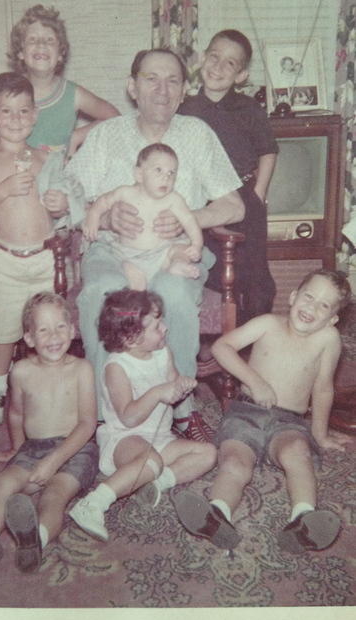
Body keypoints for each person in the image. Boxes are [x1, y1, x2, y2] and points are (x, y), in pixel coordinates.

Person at [52, 47, 245, 439]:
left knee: (171, 291)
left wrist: (189, 219)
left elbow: (234, 205)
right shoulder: (107, 135)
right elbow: (66, 198)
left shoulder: (197, 134)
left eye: (173, 80)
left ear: (182, 90)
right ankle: (105, 414)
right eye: (151, 79)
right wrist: (104, 217)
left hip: (173, 253)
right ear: (132, 87)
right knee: (104, 291)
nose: (162, 89)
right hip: (112, 249)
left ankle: (182, 408)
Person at [173, 269, 353, 554]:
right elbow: (223, 347)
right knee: (234, 462)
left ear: (333, 319)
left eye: (324, 305)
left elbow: (322, 388)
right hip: (246, 411)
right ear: (293, 297)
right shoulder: (268, 323)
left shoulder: (328, 340)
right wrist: (255, 381)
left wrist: (319, 433)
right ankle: (217, 515)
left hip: (289, 422)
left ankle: (303, 520)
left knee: (298, 453)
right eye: (309, 297)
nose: (312, 308)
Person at [0, 292, 98, 576]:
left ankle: (34, 542)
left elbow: (88, 424)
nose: (53, 336)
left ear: (72, 331)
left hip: (75, 449)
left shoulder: (82, 369)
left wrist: (53, 461)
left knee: (53, 495)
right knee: (4, 481)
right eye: (43, 329)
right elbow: (15, 413)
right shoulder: (21, 371)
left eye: (60, 327)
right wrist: (17, 448)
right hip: (34, 448)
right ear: (28, 338)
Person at [0, 72, 67, 426]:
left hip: (44, 259)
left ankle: (50, 388)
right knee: (2, 331)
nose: (15, 120)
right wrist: (3, 188)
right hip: (5, 261)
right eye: (6, 112)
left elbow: (61, 210)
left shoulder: (44, 159)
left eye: (23, 112)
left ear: (35, 115)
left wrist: (58, 205)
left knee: (48, 328)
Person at [69, 288, 217, 541]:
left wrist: (181, 384)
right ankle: (93, 503)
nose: (165, 328)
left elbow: (172, 382)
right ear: (131, 338)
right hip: (124, 439)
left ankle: (154, 484)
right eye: (156, 325)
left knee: (208, 453)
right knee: (152, 461)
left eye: (161, 321)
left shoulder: (162, 352)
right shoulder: (117, 367)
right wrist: (159, 392)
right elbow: (128, 417)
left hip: (159, 438)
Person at [179, 29, 278, 326]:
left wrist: (257, 194)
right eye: (214, 57)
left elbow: (268, 151)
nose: (218, 67)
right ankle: (217, 336)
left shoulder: (249, 109)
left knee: (253, 275)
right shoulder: (185, 108)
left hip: (244, 198)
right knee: (212, 271)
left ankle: (253, 339)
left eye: (230, 64)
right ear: (201, 59)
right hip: (203, 201)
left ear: (241, 75)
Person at [0, 4, 119, 157]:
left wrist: (78, 136)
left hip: (54, 182)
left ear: (61, 54)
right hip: (12, 178)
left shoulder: (73, 94)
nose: (41, 44)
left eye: (49, 40)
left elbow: (114, 117)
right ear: (21, 51)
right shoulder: (6, 90)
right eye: (32, 40)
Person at [83, 143, 203, 290]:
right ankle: (138, 295)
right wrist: (93, 216)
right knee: (128, 273)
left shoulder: (173, 199)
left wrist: (196, 245)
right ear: (139, 175)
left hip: (161, 253)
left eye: (171, 173)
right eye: (158, 170)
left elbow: (189, 221)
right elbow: (103, 201)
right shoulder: (125, 193)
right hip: (128, 255)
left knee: (180, 250)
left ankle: (178, 265)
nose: (166, 177)